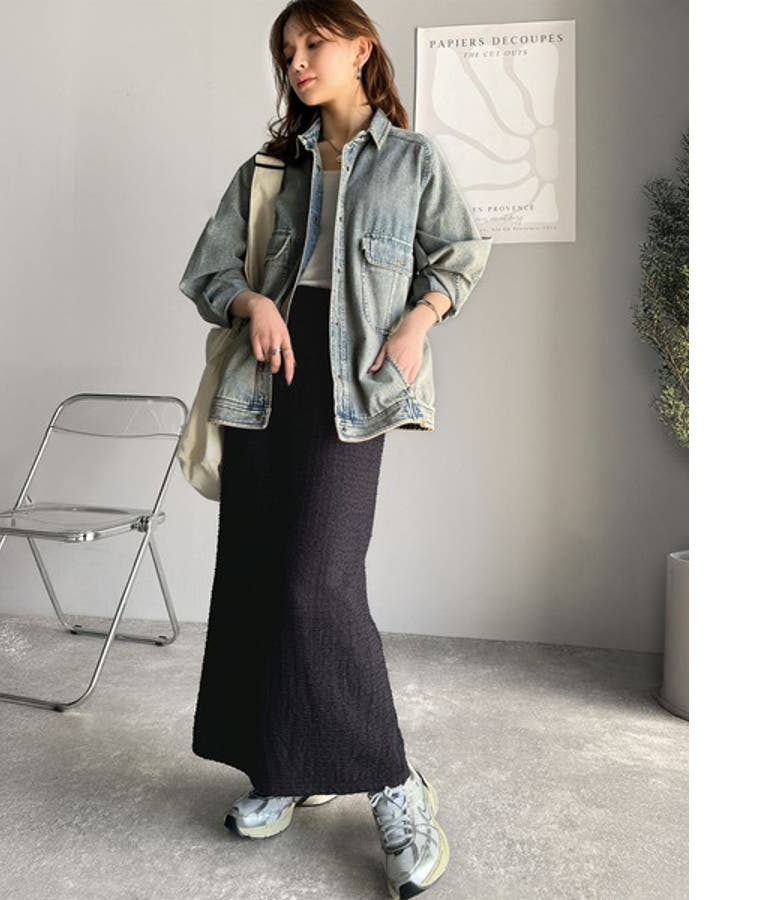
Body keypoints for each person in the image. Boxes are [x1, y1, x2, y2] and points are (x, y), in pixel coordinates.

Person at [178, 1, 492, 896]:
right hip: (265, 379)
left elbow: (459, 254)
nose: (297, 62)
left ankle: (394, 780)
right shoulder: (269, 168)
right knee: (257, 574)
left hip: (352, 384)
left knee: (317, 578)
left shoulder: (413, 160)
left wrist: (420, 320)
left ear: (361, 48)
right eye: (288, 51)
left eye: (312, 44)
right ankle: (285, 765)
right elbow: (208, 270)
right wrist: (253, 303)